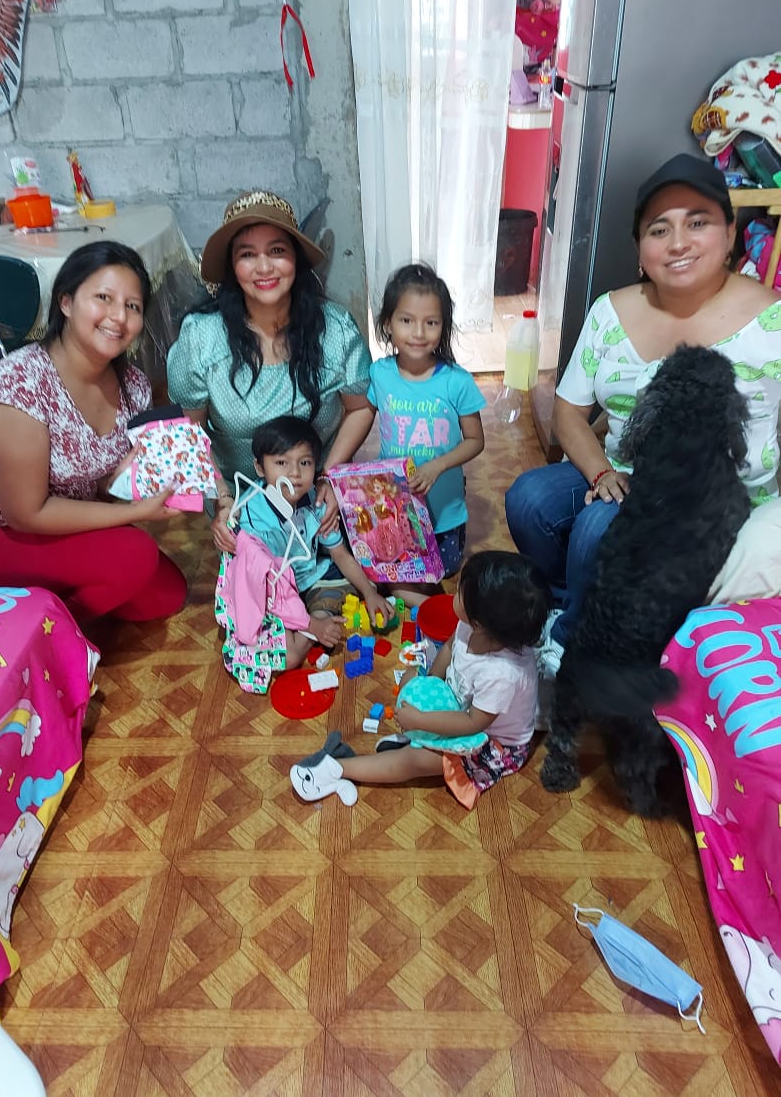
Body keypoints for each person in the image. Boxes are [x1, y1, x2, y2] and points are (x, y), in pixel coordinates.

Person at [505, 153, 781, 679]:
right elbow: (568, 411)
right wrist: (601, 472)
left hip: (717, 497)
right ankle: (569, 600)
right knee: (529, 501)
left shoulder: (772, 322)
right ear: (640, 248)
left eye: (697, 222)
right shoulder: (610, 312)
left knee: (596, 527)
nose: (678, 243)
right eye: (659, 229)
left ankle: (574, 643)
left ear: (729, 234)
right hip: (625, 471)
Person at [0, 241, 187, 625]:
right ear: (66, 302)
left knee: (167, 595)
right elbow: (26, 514)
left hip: (57, 516)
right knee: (135, 555)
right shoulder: (19, 384)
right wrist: (133, 512)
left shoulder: (133, 385)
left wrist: (124, 480)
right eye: (103, 298)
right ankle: (41, 633)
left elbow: (96, 480)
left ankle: (33, 600)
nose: (119, 317)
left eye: (132, 306)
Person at [167, 190, 373, 552]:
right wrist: (221, 498)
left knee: (345, 569)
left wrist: (330, 477)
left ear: (295, 258)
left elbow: (360, 408)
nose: (264, 267)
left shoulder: (336, 329)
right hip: (241, 502)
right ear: (232, 267)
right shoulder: (201, 337)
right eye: (248, 254)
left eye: (277, 250)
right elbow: (188, 431)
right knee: (258, 576)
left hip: (318, 494)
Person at [289, 551, 550, 808]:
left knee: (419, 761)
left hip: (489, 741)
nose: (454, 595)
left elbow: (473, 723)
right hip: (460, 705)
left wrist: (421, 719)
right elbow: (449, 647)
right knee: (411, 676)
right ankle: (418, 737)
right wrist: (430, 683)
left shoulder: (502, 675)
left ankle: (337, 769)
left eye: (459, 593)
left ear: (480, 623)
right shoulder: (473, 625)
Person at [365, 263, 486, 602]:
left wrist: (438, 466)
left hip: (444, 513)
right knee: (389, 567)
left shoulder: (456, 381)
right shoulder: (380, 374)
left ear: (443, 326)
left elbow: (476, 440)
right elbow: (359, 417)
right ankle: (419, 600)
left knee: (442, 571)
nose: (418, 332)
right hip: (396, 509)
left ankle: (422, 601)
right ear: (387, 324)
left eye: (431, 322)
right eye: (406, 320)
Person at [233, 415, 393, 667]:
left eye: (305, 462)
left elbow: (340, 554)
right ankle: (314, 624)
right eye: (281, 463)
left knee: (361, 580)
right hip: (272, 593)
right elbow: (264, 586)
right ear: (260, 468)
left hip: (314, 578)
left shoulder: (317, 500)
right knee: (290, 658)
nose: (295, 473)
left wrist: (369, 593)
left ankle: (317, 619)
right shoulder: (251, 515)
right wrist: (312, 625)